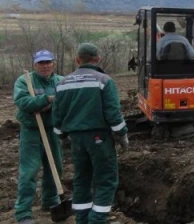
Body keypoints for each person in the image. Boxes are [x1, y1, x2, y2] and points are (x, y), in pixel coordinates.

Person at [52, 43, 128, 224]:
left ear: (77, 60)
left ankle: (82, 219)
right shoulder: (103, 81)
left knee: (82, 179)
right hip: (99, 138)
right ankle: (97, 220)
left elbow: (57, 116)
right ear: (98, 59)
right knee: (106, 180)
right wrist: (122, 134)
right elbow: (113, 113)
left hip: (76, 140)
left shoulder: (62, 84)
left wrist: (62, 136)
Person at [13, 50, 64, 224]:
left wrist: (41, 106)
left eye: (48, 62)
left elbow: (65, 103)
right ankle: (23, 213)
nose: (45, 66)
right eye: (41, 63)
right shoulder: (24, 81)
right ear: (35, 65)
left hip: (52, 130)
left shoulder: (60, 81)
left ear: (54, 64)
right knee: (29, 171)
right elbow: (23, 103)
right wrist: (48, 100)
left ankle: (50, 201)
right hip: (32, 131)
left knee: (55, 167)